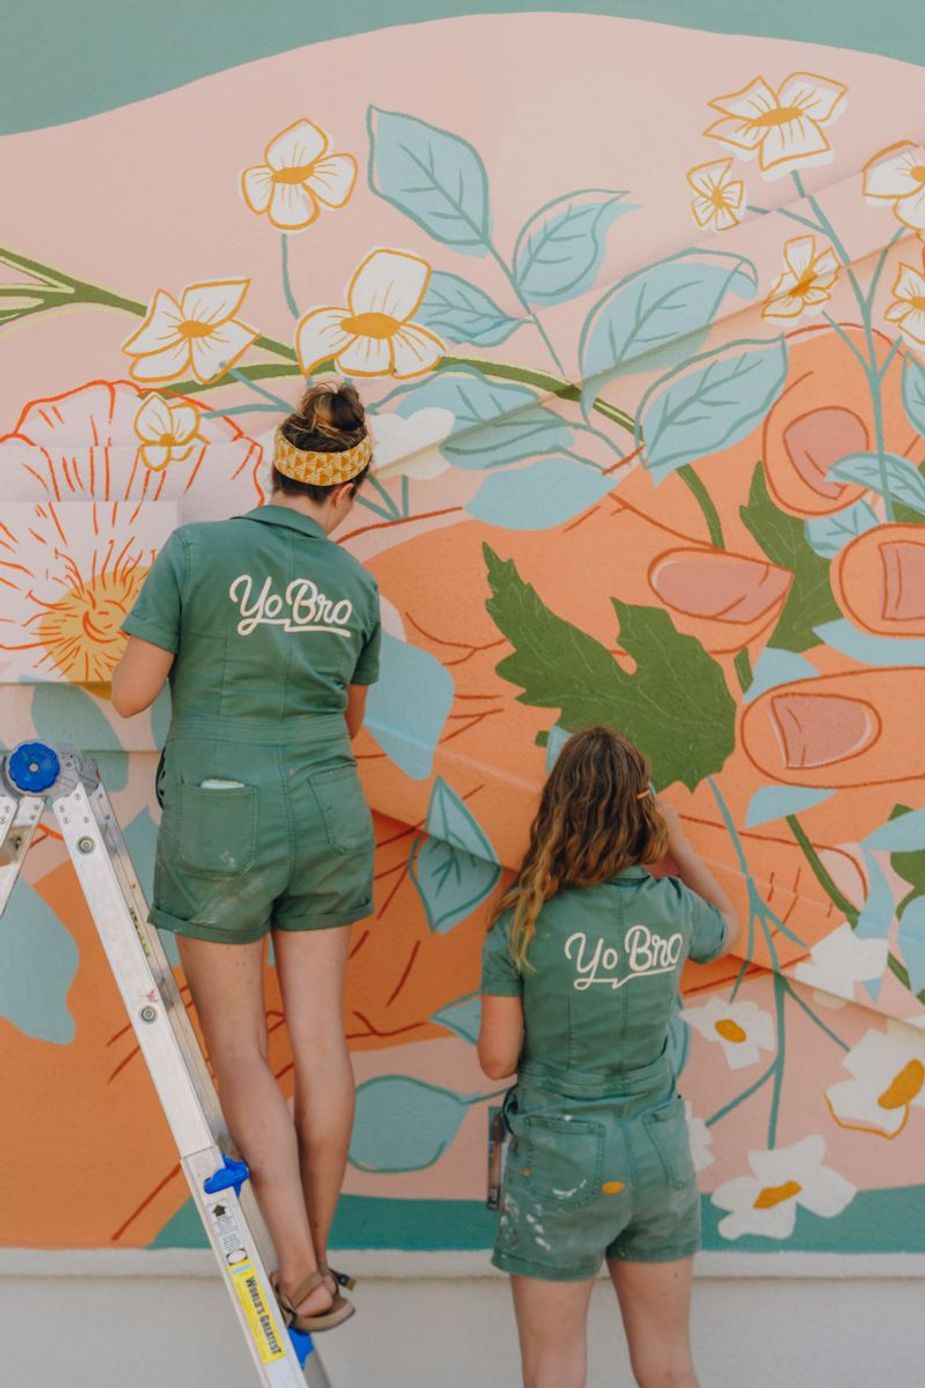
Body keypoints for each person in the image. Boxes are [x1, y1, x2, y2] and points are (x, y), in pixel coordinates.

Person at [111, 380, 381, 1333]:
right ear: (347, 490)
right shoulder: (353, 581)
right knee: (320, 1042)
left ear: (269, 469)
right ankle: (318, 1263)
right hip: (328, 812)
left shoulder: (198, 550)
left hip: (223, 819)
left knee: (240, 1050)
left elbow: (131, 695)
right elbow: (347, 719)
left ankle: (300, 1275)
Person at [478, 727, 739, 1388]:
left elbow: (495, 1058)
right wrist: (676, 841)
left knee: (553, 1368)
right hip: (657, 1151)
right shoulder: (671, 907)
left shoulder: (523, 920)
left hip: (560, 1158)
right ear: (640, 813)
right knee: (669, 1363)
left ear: (556, 809)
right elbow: (725, 926)